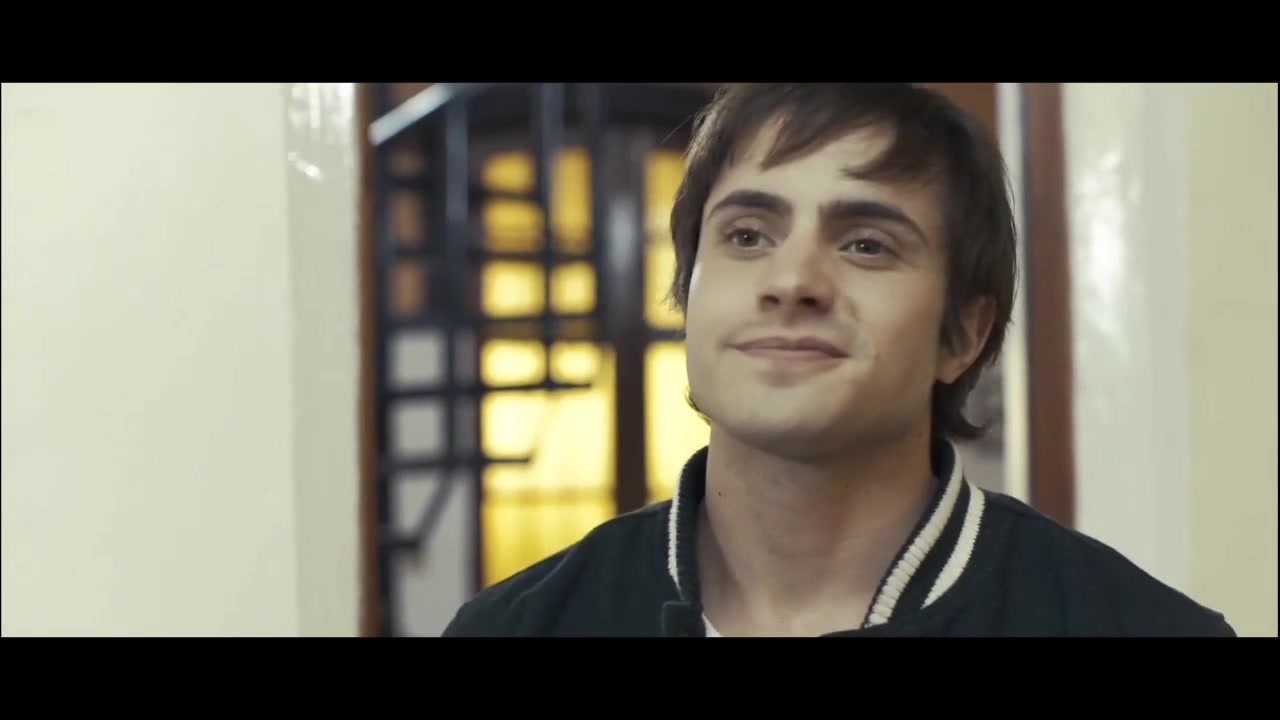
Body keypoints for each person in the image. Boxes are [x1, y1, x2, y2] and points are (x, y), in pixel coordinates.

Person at [442, 83, 1236, 637]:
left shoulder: (1132, 626)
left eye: (866, 244)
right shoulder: (518, 627)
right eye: (747, 236)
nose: (792, 281)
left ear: (963, 334)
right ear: (687, 290)